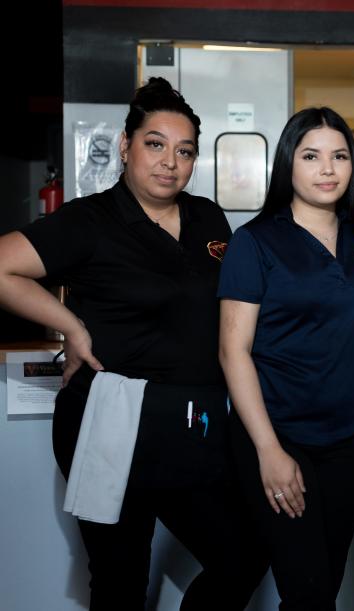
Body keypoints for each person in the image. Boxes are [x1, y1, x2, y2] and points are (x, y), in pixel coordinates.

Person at [0, 77, 267, 610]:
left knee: (243, 555)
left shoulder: (208, 217)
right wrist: (71, 326)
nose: (170, 161)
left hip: (193, 421)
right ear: (126, 146)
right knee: (121, 582)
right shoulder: (90, 220)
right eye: (155, 144)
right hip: (110, 420)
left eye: (184, 150)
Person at [218, 107, 354, 610]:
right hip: (281, 437)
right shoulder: (255, 242)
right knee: (307, 592)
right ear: (289, 163)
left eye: (339, 156)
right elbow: (232, 351)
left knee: (324, 585)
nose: (327, 169)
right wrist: (268, 449)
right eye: (311, 155)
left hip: (351, 442)